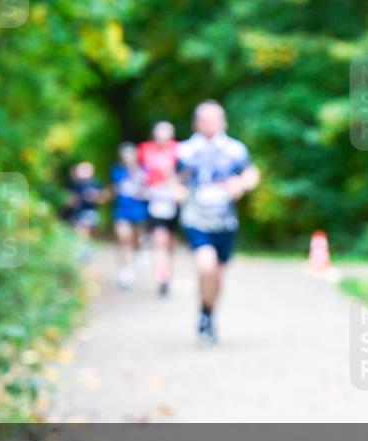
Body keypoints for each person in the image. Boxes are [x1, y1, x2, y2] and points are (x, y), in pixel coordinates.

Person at [178, 101, 259, 342]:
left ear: (224, 122)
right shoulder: (186, 151)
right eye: (205, 119)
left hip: (224, 221)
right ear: (196, 123)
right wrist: (177, 191)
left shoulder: (235, 150)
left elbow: (251, 173)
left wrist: (241, 184)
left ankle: (207, 313)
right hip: (196, 218)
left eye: (215, 119)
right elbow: (173, 178)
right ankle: (205, 314)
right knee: (206, 265)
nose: (210, 124)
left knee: (218, 275)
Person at [139, 121, 181, 296]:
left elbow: (186, 172)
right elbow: (139, 172)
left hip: (174, 200)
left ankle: (168, 273)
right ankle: (161, 276)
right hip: (155, 199)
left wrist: (177, 185)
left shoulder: (179, 150)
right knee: (159, 239)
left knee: (171, 242)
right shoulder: (145, 149)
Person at [110, 142, 149, 289]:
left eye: (130, 155)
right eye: (125, 155)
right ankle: (125, 270)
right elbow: (114, 189)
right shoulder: (117, 171)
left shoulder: (144, 169)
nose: (127, 158)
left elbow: (148, 187)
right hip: (122, 210)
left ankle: (139, 249)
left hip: (139, 210)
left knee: (136, 237)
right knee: (123, 238)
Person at [67, 161, 105, 261]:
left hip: (89, 211)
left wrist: (94, 197)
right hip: (78, 212)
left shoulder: (95, 183)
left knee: (83, 231)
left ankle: (85, 252)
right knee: (79, 232)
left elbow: (103, 196)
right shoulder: (76, 184)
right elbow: (71, 198)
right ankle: (84, 250)